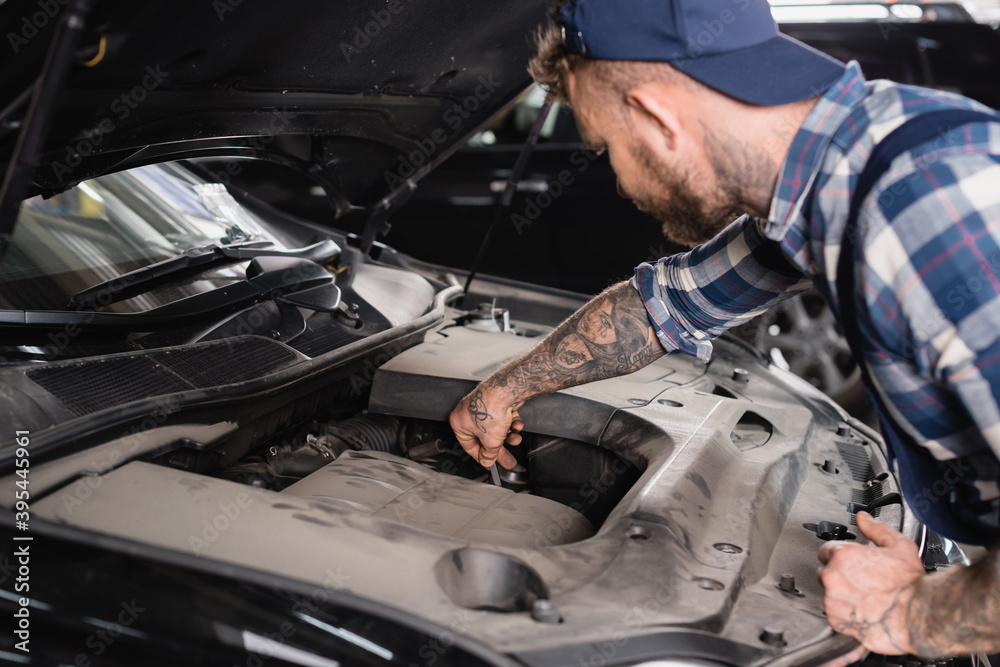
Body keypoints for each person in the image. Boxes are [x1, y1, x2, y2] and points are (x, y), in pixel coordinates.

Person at [448, 0, 1000, 662]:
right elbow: (660, 307)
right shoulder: (827, 187)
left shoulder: (926, 209)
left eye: (607, 147)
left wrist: (911, 612)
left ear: (658, 118)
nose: (618, 179)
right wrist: (507, 388)